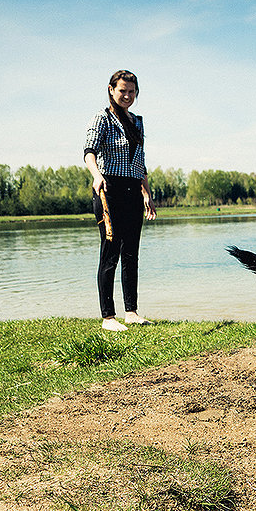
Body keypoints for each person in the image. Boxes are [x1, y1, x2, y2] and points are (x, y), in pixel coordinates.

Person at [83, 69, 157, 332]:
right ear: (111, 90)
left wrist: (146, 193)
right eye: (122, 90)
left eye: (131, 91)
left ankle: (132, 312)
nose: (127, 95)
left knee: (131, 254)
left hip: (132, 191)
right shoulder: (101, 119)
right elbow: (89, 152)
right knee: (110, 252)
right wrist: (96, 175)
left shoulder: (138, 122)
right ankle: (108, 317)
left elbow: (141, 163)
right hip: (108, 188)